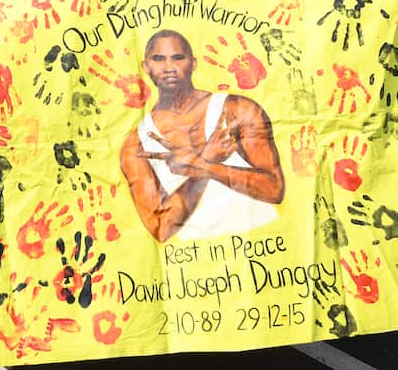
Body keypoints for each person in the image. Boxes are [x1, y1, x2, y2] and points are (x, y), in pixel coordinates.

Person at [120, 30, 284, 242]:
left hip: (265, 249)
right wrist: (204, 164)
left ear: (193, 63)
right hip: (197, 265)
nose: (169, 67)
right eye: (159, 59)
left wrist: (202, 164)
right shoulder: (136, 144)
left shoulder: (236, 110)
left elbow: (275, 189)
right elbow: (160, 228)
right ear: (146, 67)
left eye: (178, 58)